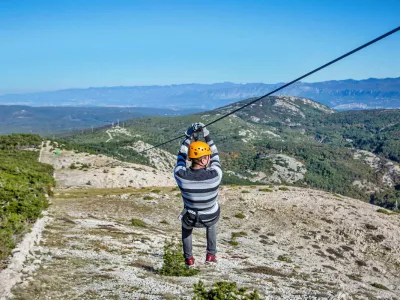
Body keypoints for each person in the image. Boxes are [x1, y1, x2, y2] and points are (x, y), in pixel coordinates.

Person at [174, 122, 223, 267]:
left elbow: (181, 157)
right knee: (212, 213)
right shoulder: (216, 175)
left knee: (186, 227)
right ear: (203, 159)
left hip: (191, 217)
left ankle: (189, 259)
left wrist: (188, 137)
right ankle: (211, 255)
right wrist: (206, 134)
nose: (209, 157)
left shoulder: (180, 175)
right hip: (210, 216)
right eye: (206, 156)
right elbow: (215, 155)